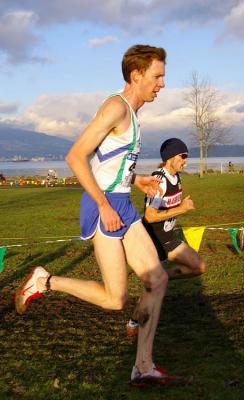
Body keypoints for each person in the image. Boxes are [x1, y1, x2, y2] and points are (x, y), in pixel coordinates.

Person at [15, 45, 187, 387]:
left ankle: (143, 366)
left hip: (122, 202)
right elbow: (76, 156)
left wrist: (136, 180)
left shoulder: (135, 114)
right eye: (157, 76)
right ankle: (44, 281)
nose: (162, 84)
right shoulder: (115, 107)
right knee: (115, 298)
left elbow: (106, 160)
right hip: (104, 206)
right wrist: (105, 205)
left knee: (157, 279)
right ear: (136, 75)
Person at [127, 138, 205, 337]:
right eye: (183, 156)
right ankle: (134, 322)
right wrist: (181, 209)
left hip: (169, 238)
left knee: (197, 266)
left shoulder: (177, 177)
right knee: (150, 292)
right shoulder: (159, 180)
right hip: (154, 241)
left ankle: (164, 277)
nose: (185, 160)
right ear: (170, 157)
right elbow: (150, 216)